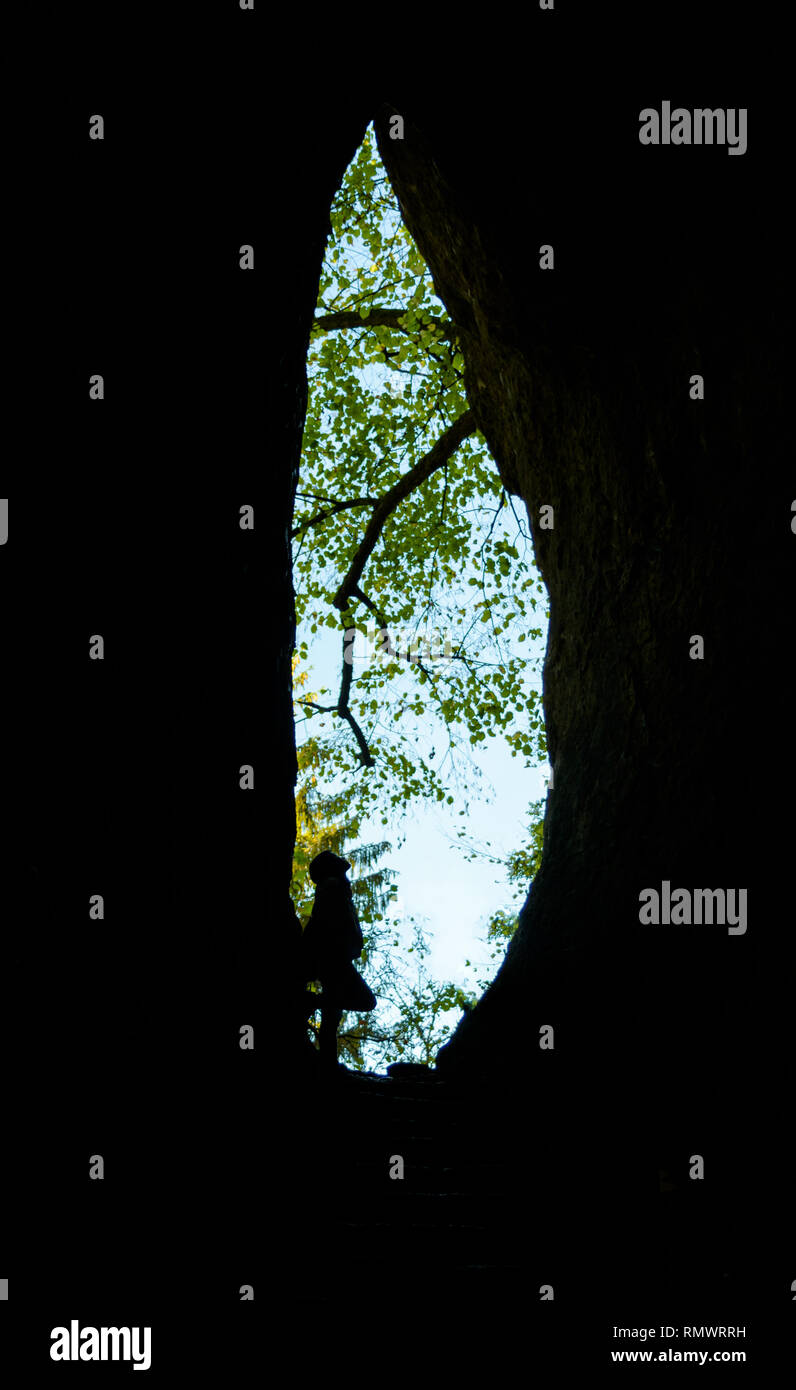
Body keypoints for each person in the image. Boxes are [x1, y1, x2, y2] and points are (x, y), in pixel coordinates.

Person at [301, 851, 376, 1068]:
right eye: (342, 871)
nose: (347, 877)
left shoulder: (335, 890)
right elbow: (323, 924)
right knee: (364, 1001)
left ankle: (328, 1063)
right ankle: (312, 1001)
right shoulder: (332, 888)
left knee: (332, 1017)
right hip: (334, 959)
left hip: (334, 957)